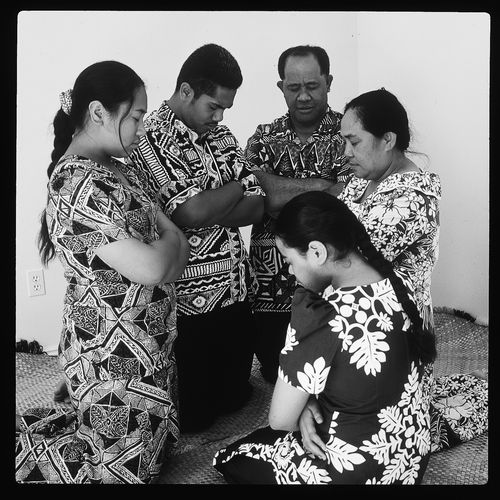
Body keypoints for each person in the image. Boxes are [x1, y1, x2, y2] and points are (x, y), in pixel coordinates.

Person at [16, 61, 190, 484]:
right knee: (122, 474)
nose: (142, 128)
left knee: (155, 451)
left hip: (148, 341)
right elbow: (157, 260)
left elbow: (172, 240)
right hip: (115, 354)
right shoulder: (77, 185)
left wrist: (170, 246)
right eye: (135, 116)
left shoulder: (119, 168)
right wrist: (170, 246)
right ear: (97, 112)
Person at [298, 88, 487, 459]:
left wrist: (312, 266)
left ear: (388, 140)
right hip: (355, 316)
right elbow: (326, 256)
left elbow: (336, 267)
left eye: (353, 141)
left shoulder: (412, 197)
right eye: (343, 141)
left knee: (365, 440)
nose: (345, 152)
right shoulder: (360, 182)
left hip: (392, 329)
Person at [213, 191, 436, 484]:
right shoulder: (402, 282)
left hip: (354, 472)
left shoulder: (320, 313)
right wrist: (306, 404)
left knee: (235, 456)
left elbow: (280, 420)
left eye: (289, 260)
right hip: (410, 458)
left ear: (317, 252)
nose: (290, 271)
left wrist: (302, 405)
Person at [129, 44, 265, 433]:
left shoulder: (221, 135)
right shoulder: (150, 137)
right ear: (186, 91)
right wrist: (238, 186)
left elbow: (257, 206)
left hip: (236, 292)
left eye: (226, 109)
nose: (220, 117)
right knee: (196, 418)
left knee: (236, 398)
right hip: (190, 305)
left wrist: (214, 201)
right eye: (213, 106)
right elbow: (187, 213)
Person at [244, 45, 350, 383]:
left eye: (312, 86)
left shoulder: (350, 135)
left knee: (336, 373)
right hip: (269, 287)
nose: (303, 96)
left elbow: (347, 199)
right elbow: (261, 195)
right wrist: (322, 186)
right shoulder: (263, 137)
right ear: (281, 88)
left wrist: (281, 189)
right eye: (293, 87)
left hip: (333, 284)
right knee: (278, 376)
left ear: (329, 82)